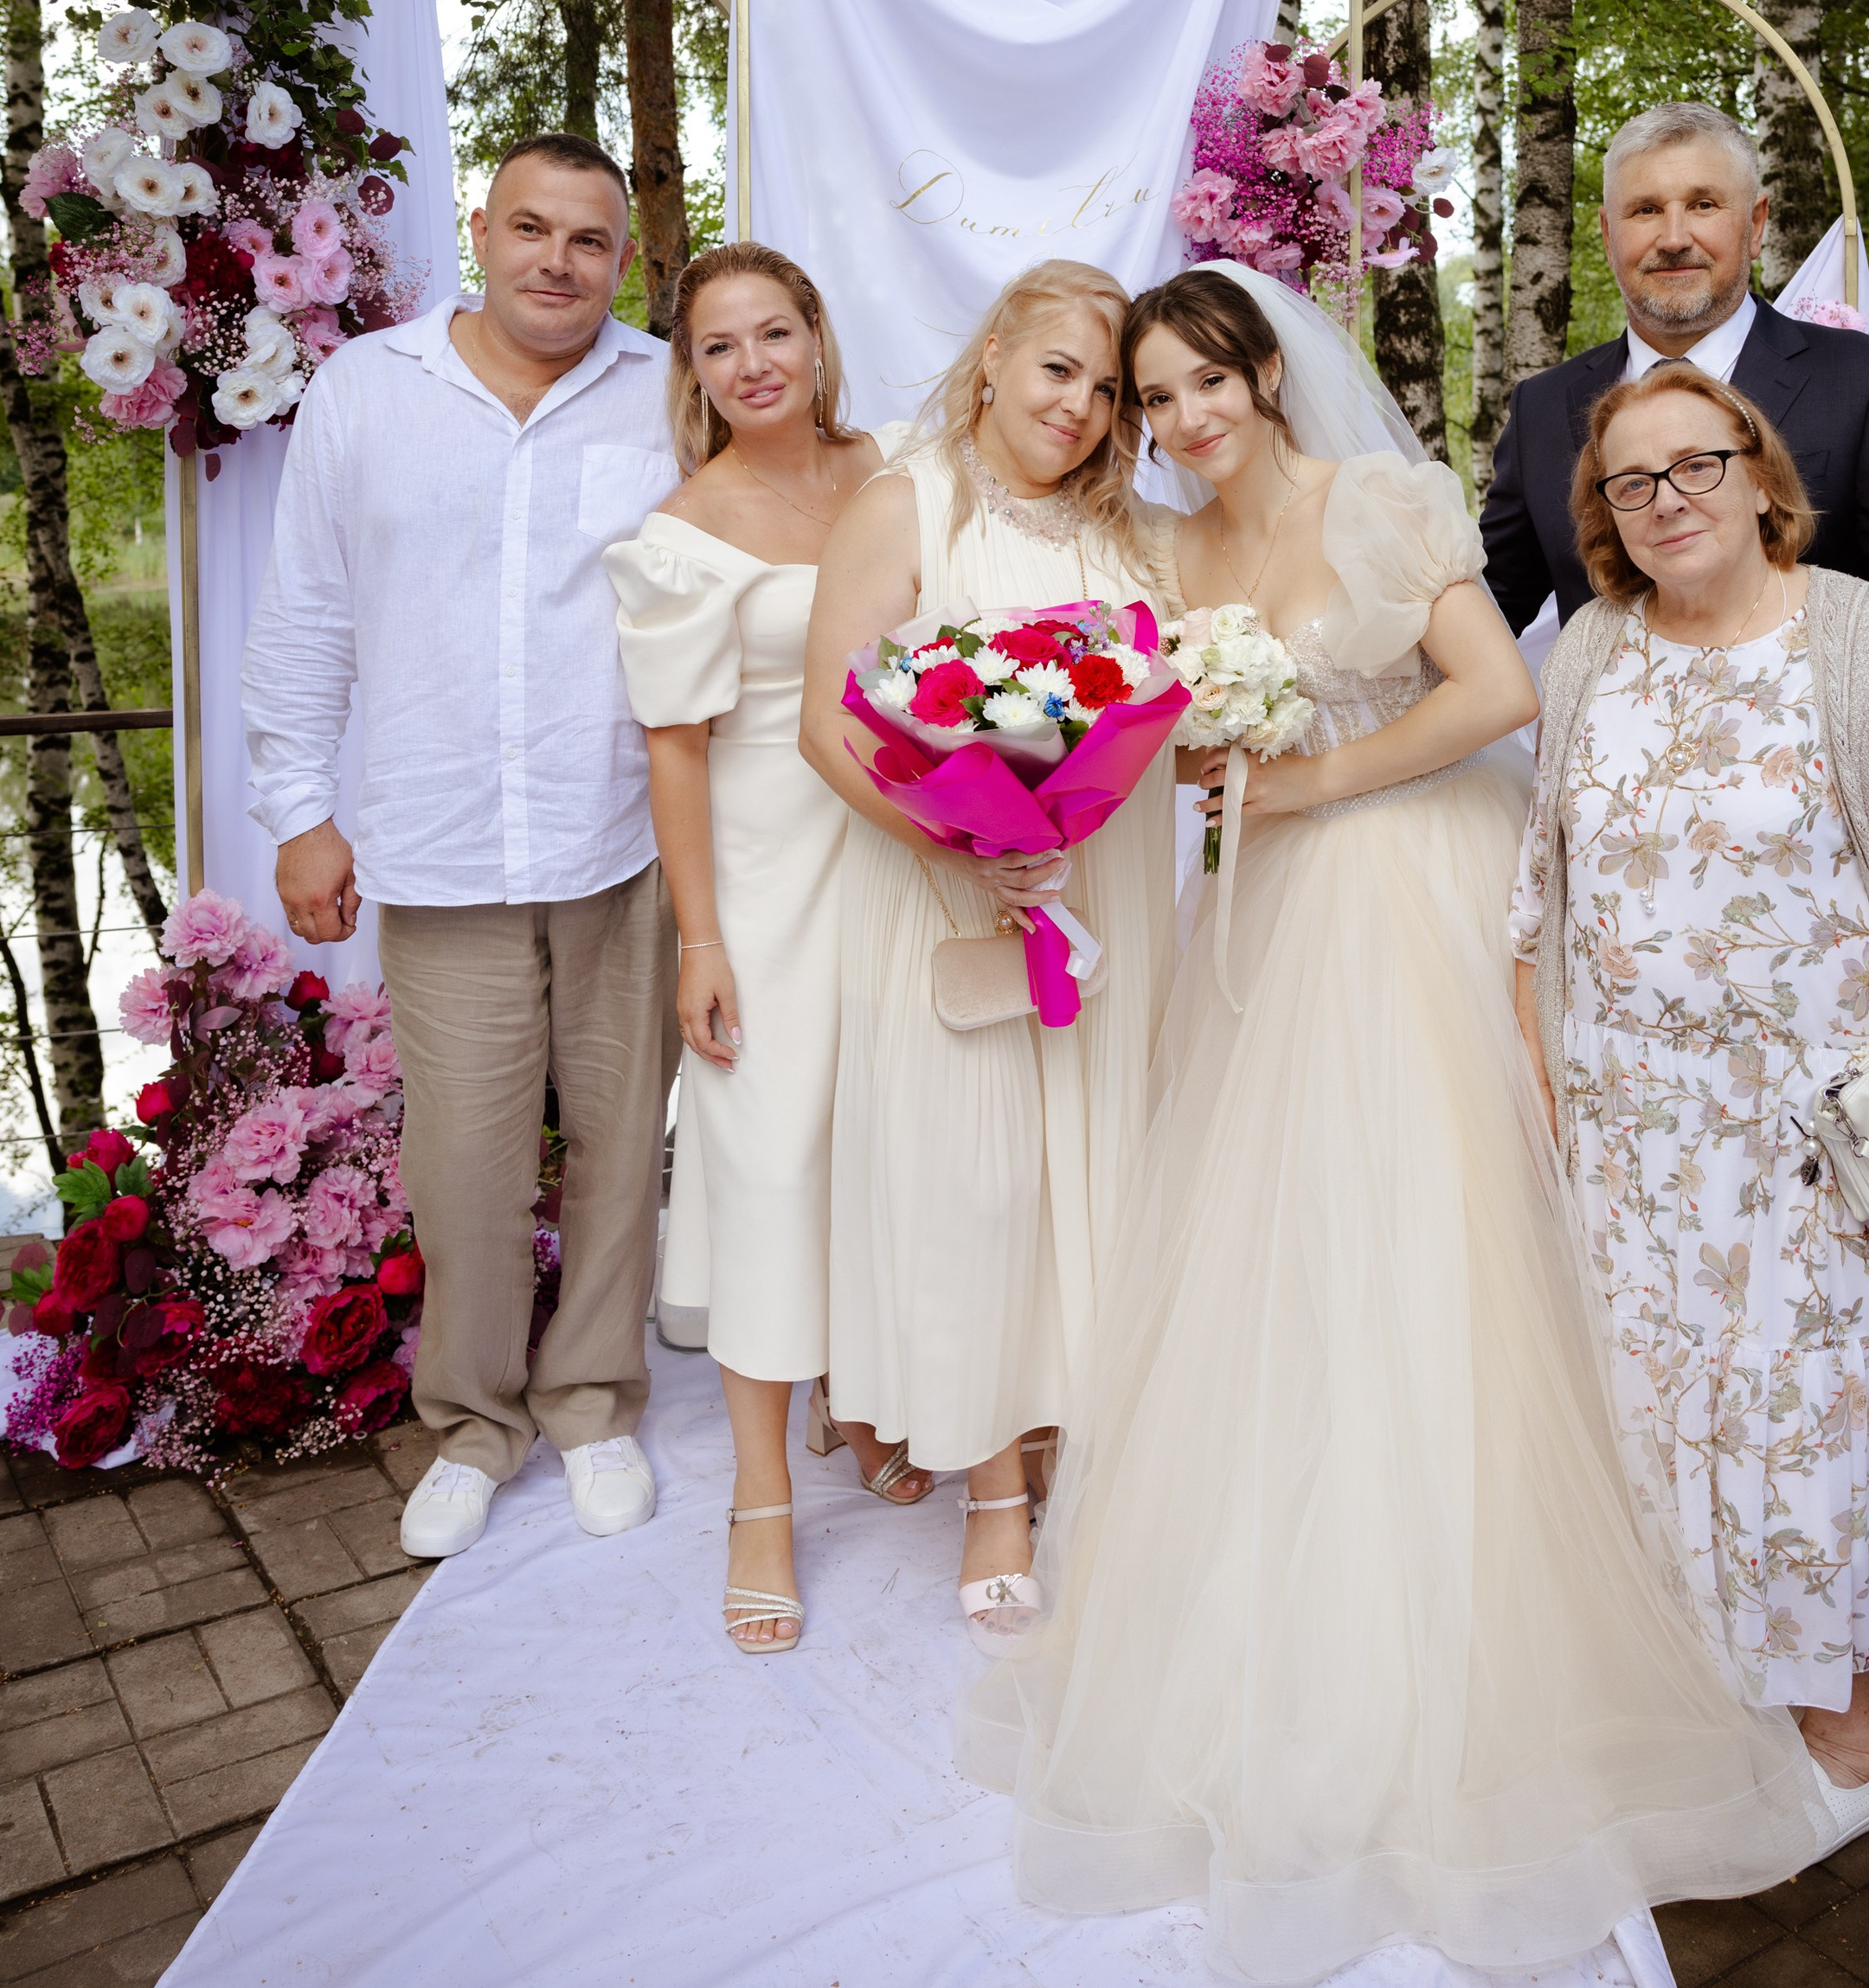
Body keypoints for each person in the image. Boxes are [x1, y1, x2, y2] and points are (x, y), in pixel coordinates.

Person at [961, 266, 1830, 1986]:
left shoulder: (1384, 498)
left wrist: (1298, 782)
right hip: (1264, 922)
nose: (1186, 421)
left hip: (1412, 881)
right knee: (1286, 1255)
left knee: (1457, 1230)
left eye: (1205, 383)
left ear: (1264, 371)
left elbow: (1486, 699)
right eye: (1156, 402)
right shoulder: (1169, 553)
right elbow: (1154, 731)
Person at [1480, 100, 1869, 1716]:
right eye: (1640, 209)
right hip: (1651, 1017)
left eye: (1701, 206)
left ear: (1751, 223)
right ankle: (1705, 1623)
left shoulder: (1858, 381)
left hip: (1837, 899)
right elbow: (1481, 610)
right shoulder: (1546, 412)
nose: (1669, 233)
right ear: (1607, 234)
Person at [1511, 361, 1869, 1837]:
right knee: (1660, 1420)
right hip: (1632, 1139)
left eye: (1696, 464)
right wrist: (1546, 1083)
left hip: (1809, 1139)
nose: (1667, 500)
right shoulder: (1593, 652)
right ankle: (1707, 1690)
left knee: (1820, 1422)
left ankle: (1837, 1712)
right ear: (1600, 513)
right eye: (1630, 480)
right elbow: (1538, 897)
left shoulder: (1862, 636)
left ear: (1758, 466)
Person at [242, 133, 680, 1562]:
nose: (559, 261)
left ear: (625, 258)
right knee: (470, 1159)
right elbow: (305, 609)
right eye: (533, 229)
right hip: (438, 845)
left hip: (627, 835)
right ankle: (475, 1425)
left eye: (591, 241)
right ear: (480, 228)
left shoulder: (664, 391)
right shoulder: (369, 389)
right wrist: (301, 810)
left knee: (621, 1144)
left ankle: (597, 1402)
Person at [797, 259, 1177, 1645]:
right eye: (1057, 368)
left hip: (1101, 892)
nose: (1077, 405)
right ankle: (997, 1486)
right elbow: (830, 724)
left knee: (1097, 1158)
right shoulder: (906, 503)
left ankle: (1087, 1431)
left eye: (1103, 384)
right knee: (977, 1178)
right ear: (994, 361)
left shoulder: (1133, 537)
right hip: (945, 891)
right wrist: (964, 843)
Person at [607, 245, 930, 1658]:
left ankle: (859, 1402)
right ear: (694, 373)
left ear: (817, 334)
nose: (753, 362)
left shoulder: (900, 468)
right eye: (720, 344)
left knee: (884, 1138)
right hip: (759, 865)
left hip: (905, 848)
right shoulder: (682, 532)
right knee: (764, 1159)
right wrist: (700, 938)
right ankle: (758, 1496)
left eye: (775, 331)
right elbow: (672, 754)